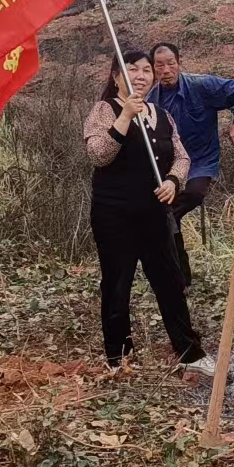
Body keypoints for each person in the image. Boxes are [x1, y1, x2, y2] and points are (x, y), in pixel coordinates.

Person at [83, 50, 211, 375]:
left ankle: (189, 351)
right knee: (117, 283)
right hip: (115, 216)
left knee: (170, 281)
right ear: (115, 77)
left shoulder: (162, 114)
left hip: (155, 215)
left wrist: (173, 180)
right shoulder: (104, 110)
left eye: (146, 70)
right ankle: (119, 357)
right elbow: (98, 155)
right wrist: (124, 116)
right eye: (131, 70)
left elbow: (181, 157)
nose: (140, 76)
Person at [147, 43, 234, 287]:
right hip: (170, 167)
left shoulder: (201, 85)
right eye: (159, 65)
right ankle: (181, 278)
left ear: (179, 62)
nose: (166, 69)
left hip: (200, 161)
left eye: (170, 63)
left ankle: (175, 272)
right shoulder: (150, 100)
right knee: (168, 219)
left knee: (192, 195)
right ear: (153, 69)